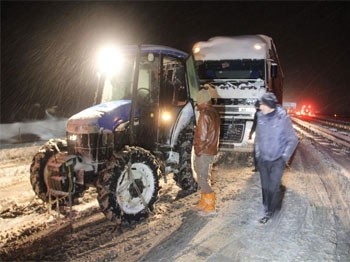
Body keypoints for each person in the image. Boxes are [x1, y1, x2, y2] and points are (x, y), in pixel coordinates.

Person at [255, 92, 298, 224]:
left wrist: (284, 158)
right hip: (263, 159)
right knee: (265, 186)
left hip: (277, 159)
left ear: (269, 105)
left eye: (262, 104)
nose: (260, 107)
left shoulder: (282, 119)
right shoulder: (260, 116)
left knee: (273, 187)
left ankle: (270, 211)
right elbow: (258, 137)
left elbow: (293, 139)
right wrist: (258, 153)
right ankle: (268, 206)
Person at [192, 88, 221, 216]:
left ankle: (210, 206)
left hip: (204, 151)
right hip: (210, 149)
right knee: (203, 176)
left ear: (202, 101)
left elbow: (202, 136)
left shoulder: (205, 114)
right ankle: (204, 201)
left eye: (198, 102)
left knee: (201, 177)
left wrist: (197, 150)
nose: (197, 104)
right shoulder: (214, 112)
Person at [249, 100, 260, 172]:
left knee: (256, 152)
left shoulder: (257, 113)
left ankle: (257, 168)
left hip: (259, 135)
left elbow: (254, 124)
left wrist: (251, 133)